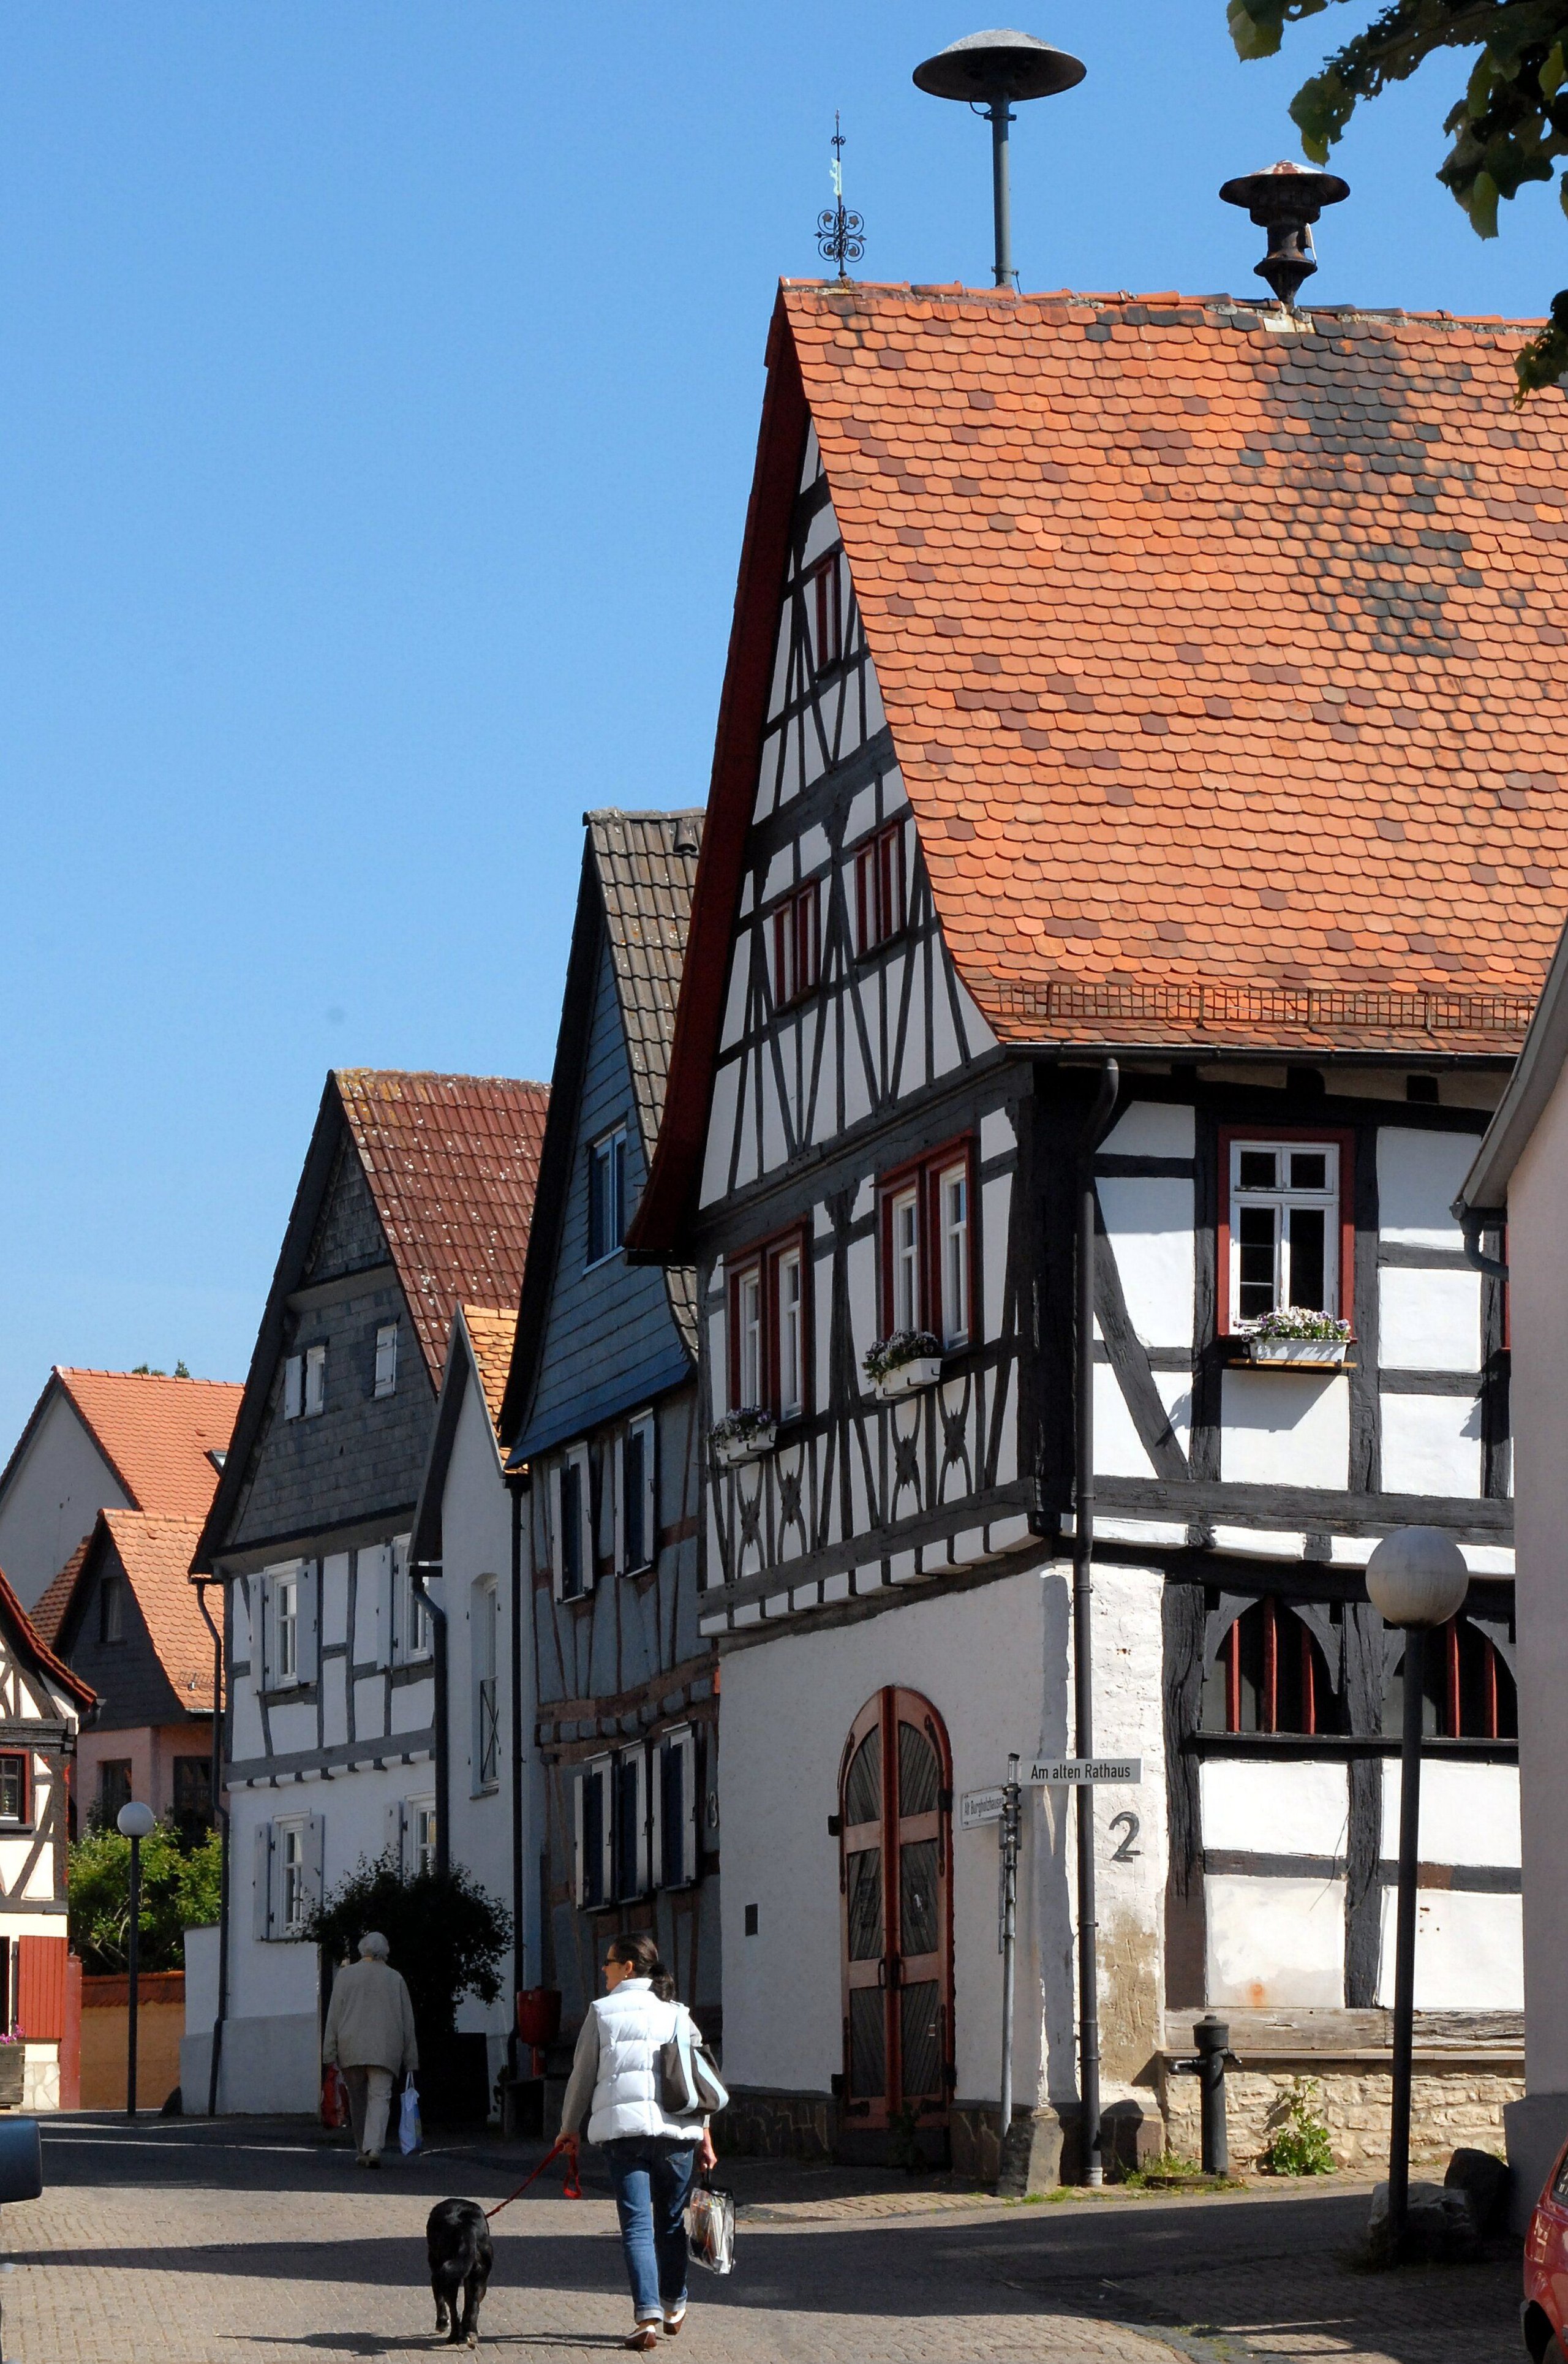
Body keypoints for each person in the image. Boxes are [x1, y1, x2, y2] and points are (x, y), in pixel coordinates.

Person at [559, 1934, 717, 2351]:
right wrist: (705, 2136)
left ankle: (647, 2314)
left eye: (609, 1962)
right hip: (677, 2136)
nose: (604, 1969)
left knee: (637, 2227)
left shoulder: (602, 2011)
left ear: (629, 1967)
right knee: (669, 2223)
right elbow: (698, 2080)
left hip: (625, 2136)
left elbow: (582, 2075)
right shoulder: (678, 2014)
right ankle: (675, 2302)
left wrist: (569, 2127)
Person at [322, 1930, 419, 2168]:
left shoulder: (345, 1976)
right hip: (386, 2049)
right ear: (385, 1952)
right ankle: (374, 2147)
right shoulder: (395, 1978)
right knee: (380, 2098)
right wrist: (411, 2059)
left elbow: (333, 2016)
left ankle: (361, 2148)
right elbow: (408, 2021)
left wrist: (329, 2052)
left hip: (351, 2046)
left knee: (357, 2100)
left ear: (361, 1950)